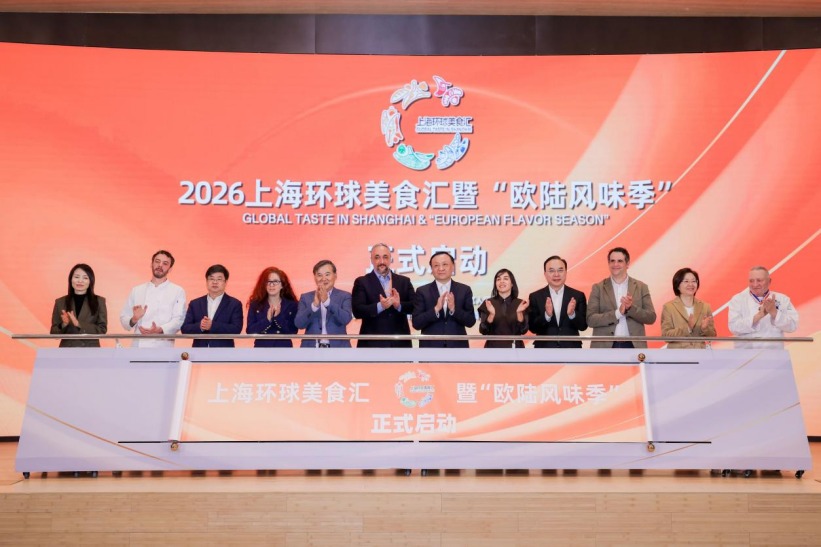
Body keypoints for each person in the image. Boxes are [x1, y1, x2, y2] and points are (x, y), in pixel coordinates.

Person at [587, 246, 656, 348]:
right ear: (608, 263)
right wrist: (618, 313)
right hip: (604, 347)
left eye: (620, 261)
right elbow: (590, 319)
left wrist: (631, 308)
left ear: (627, 264)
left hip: (633, 346)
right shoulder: (598, 288)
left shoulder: (641, 287)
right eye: (612, 261)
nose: (615, 264)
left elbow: (651, 318)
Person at [351, 243, 416, 347]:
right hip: (372, 344)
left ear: (390, 259)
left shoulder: (404, 281)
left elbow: (415, 306)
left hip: (400, 343)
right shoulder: (362, 282)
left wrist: (399, 305)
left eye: (385, 257)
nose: (381, 261)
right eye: (377, 257)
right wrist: (380, 306)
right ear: (371, 260)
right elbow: (357, 311)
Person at [119, 250, 186, 348]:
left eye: (165, 263)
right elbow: (124, 319)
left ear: (170, 269)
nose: (160, 265)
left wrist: (160, 329)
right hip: (138, 347)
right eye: (157, 261)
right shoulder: (137, 290)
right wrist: (134, 319)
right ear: (151, 264)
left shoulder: (177, 291)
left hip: (163, 346)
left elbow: (179, 320)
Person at [412, 251, 476, 348]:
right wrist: (436, 309)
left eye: (445, 264)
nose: (441, 268)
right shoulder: (422, 291)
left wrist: (454, 309)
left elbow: (471, 321)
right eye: (436, 265)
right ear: (431, 269)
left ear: (453, 266)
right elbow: (416, 323)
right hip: (430, 348)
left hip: (457, 347)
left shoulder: (464, 290)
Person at [728, 266, 799, 348]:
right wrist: (758, 316)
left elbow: (792, 326)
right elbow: (733, 327)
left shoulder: (782, 299)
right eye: (751, 281)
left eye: (759, 280)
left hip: (774, 353)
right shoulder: (737, 300)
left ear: (769, 281)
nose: (755, 284)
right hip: (746, 353)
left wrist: (775, 313)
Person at [528, 256, 588, 348]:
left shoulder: (578, 295)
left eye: (560, 270)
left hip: (571, 349)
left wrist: (572, 314)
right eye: (551, 271)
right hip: (544, 349)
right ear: (545, 274)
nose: (556, 274)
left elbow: (583, 326)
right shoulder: (535, 296)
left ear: (566, 272)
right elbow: (533, 328)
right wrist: (547, 315)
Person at [180, 264, 243, 347]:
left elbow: (236, 329)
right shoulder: (195, 304)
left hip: (224, 351)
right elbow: (185, 329)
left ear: (225, 282)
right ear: (206, 281)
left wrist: (212, 326)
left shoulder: (234, 304)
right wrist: (200, 326)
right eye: (211, 279)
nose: (215, 282)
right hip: (199, 351)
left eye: (219, 279)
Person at [295, 260, 353, 348]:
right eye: (319, 275)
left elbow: (346, 319)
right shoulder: (305, 297)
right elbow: (299, 324)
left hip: (338, 348)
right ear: (315, 277)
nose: (323, 278)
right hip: (311, 348)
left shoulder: (345, 296)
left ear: (335, 275)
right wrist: (314, 306)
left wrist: (327, 302)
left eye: (327, 274)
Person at [50, 263, 108, 347]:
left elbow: (102, 330)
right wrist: (63, 324)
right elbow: (53, 333)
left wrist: (79, 324)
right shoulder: (60, 302)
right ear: (71, 279)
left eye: (85, 278)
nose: (80, 281)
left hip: (91, 350)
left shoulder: (99, 301)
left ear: (90, 281)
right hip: (67, 350)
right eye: (77, 277)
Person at [660, 267, 716, 349]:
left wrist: (704, 329)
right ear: (677, 285)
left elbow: (712, 335)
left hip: (700, 353)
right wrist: (687, 328)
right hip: (678, 354)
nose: (691, 284)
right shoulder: (669, 307)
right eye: (686, 281)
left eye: (694, 281)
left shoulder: (705, 306)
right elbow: (666, 336)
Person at [246, 266, 299, 347]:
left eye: (275, 281)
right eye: (268, 281)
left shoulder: (292, 305)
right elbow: (250, 331)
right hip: (261, 349)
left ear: (282, 285)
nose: (271, 285)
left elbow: (293, 331)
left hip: (284, 349)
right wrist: (267, 320)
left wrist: (278, 317)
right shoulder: (255, 304)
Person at [478, 268, 528, 348]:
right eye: (498, 279)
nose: (501, 281)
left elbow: (523, 330)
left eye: (505, 279)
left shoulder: (521, 304)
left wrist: (519, 313)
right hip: (493, 348)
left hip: (515, 348)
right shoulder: (488, 303)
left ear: (512, 283)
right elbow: (483, 330)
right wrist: (491, 315)